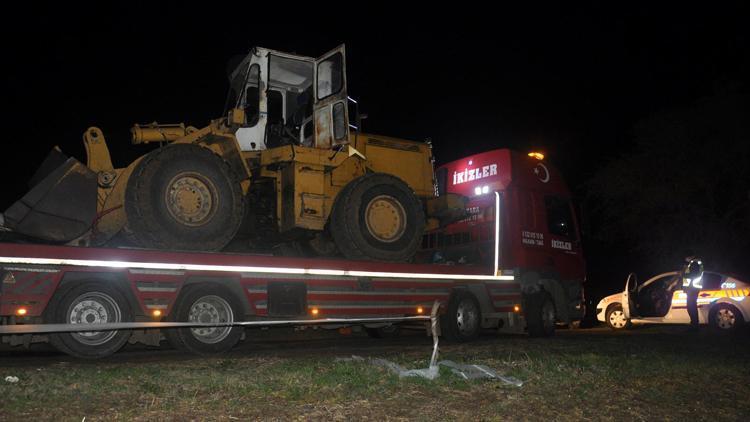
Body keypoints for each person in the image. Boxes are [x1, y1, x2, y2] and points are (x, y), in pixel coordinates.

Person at [681, 255, 704, 331]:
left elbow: (694, 274)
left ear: (690, 256)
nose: (685, 259)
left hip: (693, 289)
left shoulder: (695, 263)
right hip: (692, 288)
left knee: (691, 307)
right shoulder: (695, 262)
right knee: (691, 307)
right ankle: (694, 324)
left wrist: (684, 275)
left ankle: (694, 325)